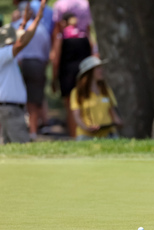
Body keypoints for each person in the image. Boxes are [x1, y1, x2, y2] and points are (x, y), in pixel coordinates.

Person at [0, 0, 46, 144]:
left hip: (9, 108)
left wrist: (24, 22)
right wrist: (37, 19)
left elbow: (18, 39)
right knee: (23, 148)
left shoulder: (5, 54)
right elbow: (21, 42)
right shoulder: (3, 54)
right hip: (10, 109)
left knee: (10, 154)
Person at [51, 0, 93, 137]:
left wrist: (53, 77)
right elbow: (89, 33)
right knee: (85, 101)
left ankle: (74, 136)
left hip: (67, 71)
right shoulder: (86, 4)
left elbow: (56, 58)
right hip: (84, 68)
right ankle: (88, 133)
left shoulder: (59, 5)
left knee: (70, 106)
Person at [11, 5, 51, 141]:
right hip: (36, 65)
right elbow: (47, 52)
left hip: (17, 65)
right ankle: (32, 132)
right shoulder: (42, 29)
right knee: (33, 100)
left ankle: (18, 132)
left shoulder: (14, 26)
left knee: (16, 100)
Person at [70, 56, 123, 141]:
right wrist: (87, 128)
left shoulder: (106, 90)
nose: (101, 70)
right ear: (89, 72)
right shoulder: (77, 93)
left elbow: (111, 110)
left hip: (107, 133)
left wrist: (118, 122)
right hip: (86, 135)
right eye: (98, 68)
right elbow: (77, 116)